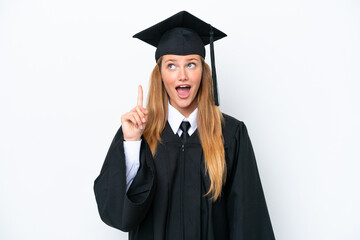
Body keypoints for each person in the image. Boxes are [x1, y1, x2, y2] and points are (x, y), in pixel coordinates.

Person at [94, 11, 275, 240]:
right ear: (160, 74)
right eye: (171, 66)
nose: (182, 76)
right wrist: (131, 144)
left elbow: (248, 223)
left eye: (191, 64)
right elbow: (118, 216)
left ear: (203, 72)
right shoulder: (138, 132)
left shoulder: (230, 135)